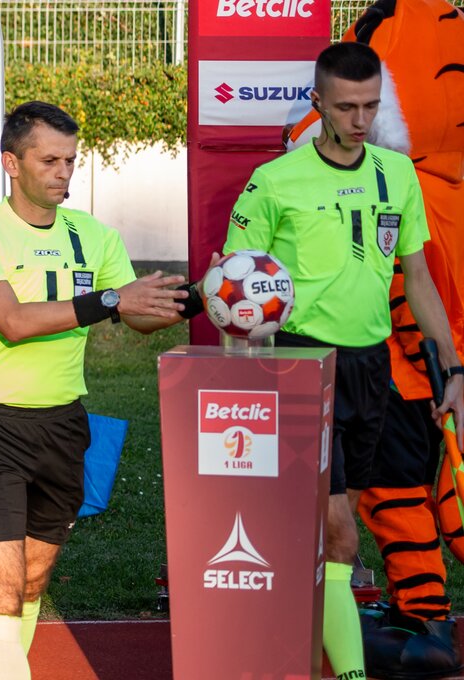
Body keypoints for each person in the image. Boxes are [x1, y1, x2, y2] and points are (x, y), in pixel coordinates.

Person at [221, 42, 464, 680]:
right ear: (318, 103)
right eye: (346, 107)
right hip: (302, 363)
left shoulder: (397, 173)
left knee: (332, 529)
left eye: (371, 106)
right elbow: (235, 281)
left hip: (371, 366)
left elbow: (417, 278)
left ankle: (286, 645)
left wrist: (455, 370)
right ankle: (348, 672)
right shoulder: (275, 180)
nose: (360, 120)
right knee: (339, 534)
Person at [0, 100, 190, 680]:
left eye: (70, 161)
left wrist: (214, 296)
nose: (63, 172)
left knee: (31, 582)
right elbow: (12, 320)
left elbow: (137, 315)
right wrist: (110, 299)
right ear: (11, 163)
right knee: (0, 588)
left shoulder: (94, 235)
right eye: (49, 160)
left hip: (61, 426)